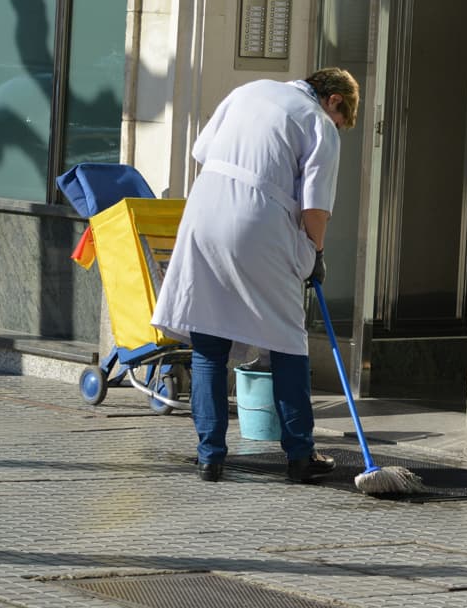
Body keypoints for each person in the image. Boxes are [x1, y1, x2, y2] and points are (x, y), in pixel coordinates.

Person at [151, 68, 360, 483]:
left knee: (208, 341)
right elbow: (315, 209)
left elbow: (202, 150)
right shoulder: (319, 124)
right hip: (259, 226)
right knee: (287, 343)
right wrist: (316, 253)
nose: (338, 125)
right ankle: (300, 454)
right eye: (342, 119)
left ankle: (210, 456)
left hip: (203, 216)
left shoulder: (248, 91)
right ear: (334, 100)